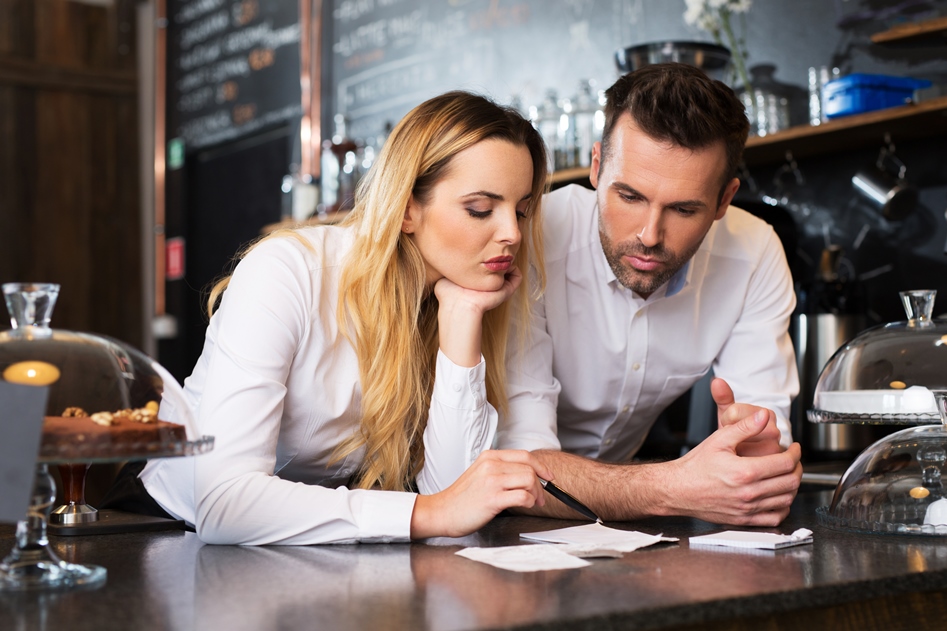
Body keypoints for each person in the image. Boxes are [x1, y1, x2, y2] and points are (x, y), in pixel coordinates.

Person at [105, 91, 556, 545]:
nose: (512, 234)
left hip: (308, 545)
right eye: (480, 210)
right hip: (165, 533)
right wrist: (432, 512)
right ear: (406, 210)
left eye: (521, 211)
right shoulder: (289, 273)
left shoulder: (467, 300)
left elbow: (454, 507)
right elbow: (225, 505)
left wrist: (461, 319)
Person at [498, 63, 803, 526]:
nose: (649, 235)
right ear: (596, 167)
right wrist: (675, 487)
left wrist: (755, 465)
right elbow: (523, 473)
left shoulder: (753, 253)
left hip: (622, 520)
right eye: (630, 197)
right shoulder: (531, 240)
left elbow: (762, 443)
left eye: (683, 209)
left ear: (724, 199)